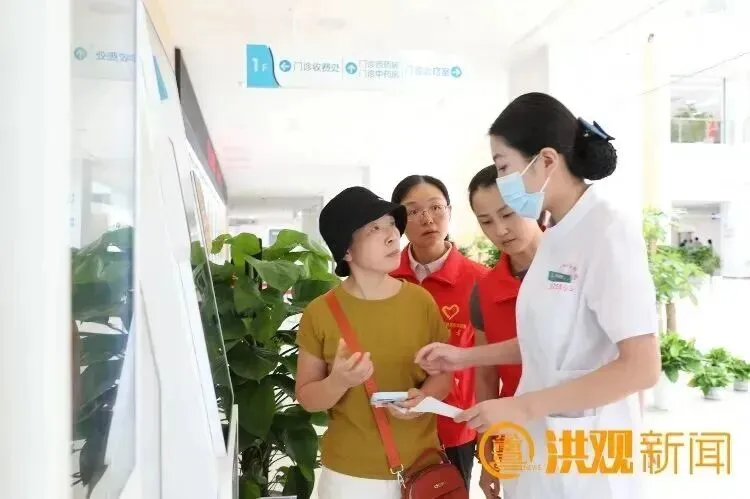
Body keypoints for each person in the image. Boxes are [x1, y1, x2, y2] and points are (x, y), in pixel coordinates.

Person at [415, 92, 661, 499]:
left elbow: (641, 368)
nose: (503, 183)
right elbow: (547, 342)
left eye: (503, 167)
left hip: (588, 460)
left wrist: (521, 406)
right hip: (539, 448)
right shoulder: (557, 235)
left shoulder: (607, 231)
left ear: (546, 160)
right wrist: (463, 358)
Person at [295, 186, 453, 499]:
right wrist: (339, 381)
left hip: (422, 469)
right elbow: (307, 398)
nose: (392, 235)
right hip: (349, 478)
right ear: (346, 251)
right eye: (374, 229)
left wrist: (423, 398)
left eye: (392, 224)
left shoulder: (420, 301)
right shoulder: (320, 312)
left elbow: (444, 376)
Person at [390, 175, 489, 489]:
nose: (427, 218)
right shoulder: (383, 278)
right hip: (392, 423)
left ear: (449, 211)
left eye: (435, 207)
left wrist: (490, 441)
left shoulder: (480, 281)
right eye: (413, 211)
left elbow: (490, 367)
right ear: (398, 221)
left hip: (454, 427)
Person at [466, 165, 544, 499]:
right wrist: (489, 454)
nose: (499, 230)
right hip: (516, 438)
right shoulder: (484, 291)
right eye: (486, 221)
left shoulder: (579, 267)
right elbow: (486, 378)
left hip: (583, 434)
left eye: (507, 214)